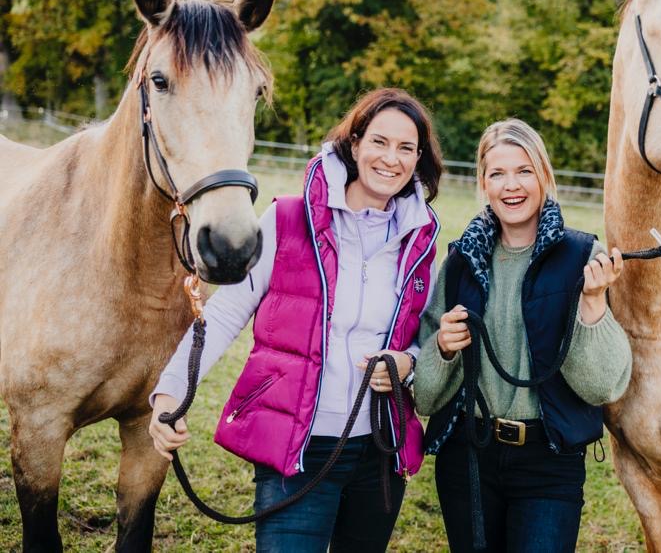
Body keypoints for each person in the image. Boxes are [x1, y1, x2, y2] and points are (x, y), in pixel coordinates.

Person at [148, 88, 443, 553]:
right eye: (379, 142)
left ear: (418, 159)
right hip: (297, 445)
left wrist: (408, 360)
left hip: (379, 452)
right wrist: (171, 392)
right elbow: (224, 314)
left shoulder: (420, 241)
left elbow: (428, 335)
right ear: (355, 144)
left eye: (406, 148)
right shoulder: (287, 219)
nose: (391, 159)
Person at [414, 118, 632, 553]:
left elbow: (604, 386)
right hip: (468, 456)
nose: (511, 185)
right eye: (497, 173)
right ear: (483, 183)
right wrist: (442, 348)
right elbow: (425, 398)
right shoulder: (460, 262)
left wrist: (591, 306)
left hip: (547, 462)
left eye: (524, 171)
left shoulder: (581, 257)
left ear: (544, 176)